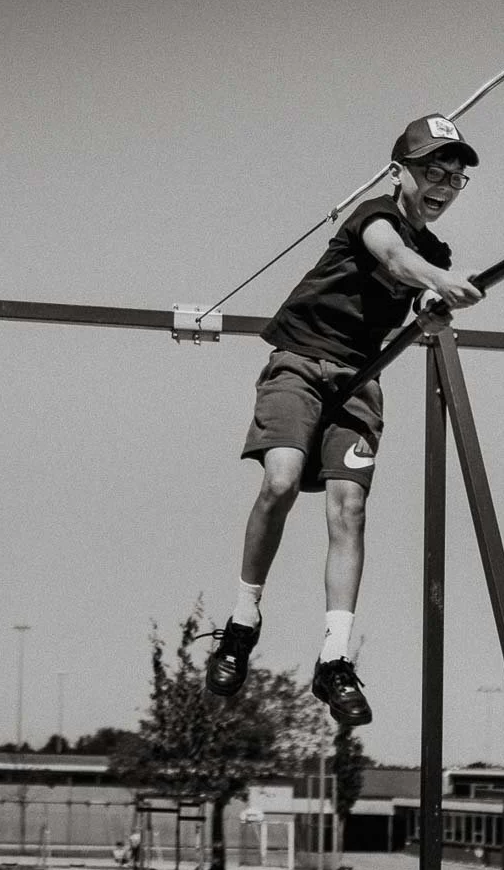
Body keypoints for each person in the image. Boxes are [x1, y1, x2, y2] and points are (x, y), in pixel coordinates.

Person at [205, 113, 486, 727]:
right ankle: (243, 620)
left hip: (359, 378)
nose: (443, 186)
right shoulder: (373, 216)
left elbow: (420, 294)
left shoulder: (436, 252)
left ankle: (334, 658)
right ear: (399, 172)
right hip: (301, 361)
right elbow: (395, 257)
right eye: (432, 171)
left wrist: (433, 306)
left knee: (349, 508)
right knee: (281, 480)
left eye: (454, 178)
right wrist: (438, 282)